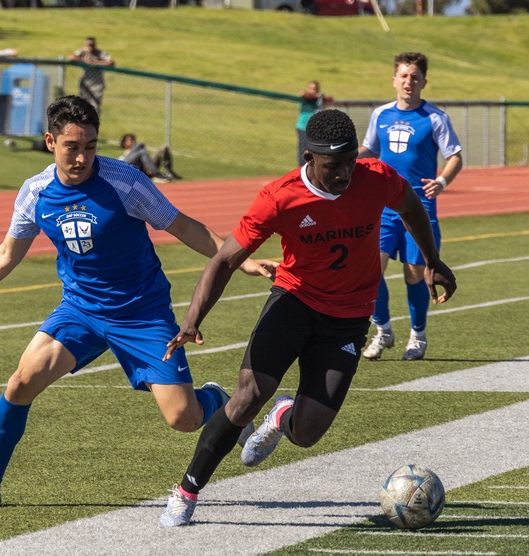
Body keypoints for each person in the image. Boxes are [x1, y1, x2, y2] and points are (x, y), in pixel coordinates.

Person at [0, 95, 276, 511]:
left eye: (90, 146)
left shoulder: (125, 182)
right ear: (51, 141)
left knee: (184, 419)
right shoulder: (35, 193)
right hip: (80, 310)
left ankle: (213, 397)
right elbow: (6, 254)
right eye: (72, 146)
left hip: (142, 312)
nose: (82, 156)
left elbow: (184, 226)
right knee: (20, 382)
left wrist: (241, 262)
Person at [158, 109, 456, 527]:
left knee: (309, 432)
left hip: (349, 317)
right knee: (246, 396)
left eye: (351, 161)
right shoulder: (279, 196)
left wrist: (433, 260)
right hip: (294, 302)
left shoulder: (377, 177)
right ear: (309, 157)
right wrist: (192, 318)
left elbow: (410, 205)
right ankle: (186, 491)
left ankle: (282, 415)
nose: (345, 173)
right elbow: (225, 259)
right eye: (333, 165)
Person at [358, 52, 463, 361]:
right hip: (384, 207)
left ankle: (417, 336)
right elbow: (371, 148)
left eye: (415, 77)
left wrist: (442, 181)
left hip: (419, 208)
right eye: (403, 76)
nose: (409, 82)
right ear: (394, 80)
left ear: (423, 82)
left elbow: (455, 155)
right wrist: (351, 154)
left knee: (415, 273)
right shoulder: (381, 114)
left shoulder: (435, 118)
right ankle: (384, 331)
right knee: (369, 271)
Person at [68, 37, 113, 115]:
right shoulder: (83, 51)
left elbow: (111, 62)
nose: (90, 47)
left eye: (92, 45)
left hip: (97, 84)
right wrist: (84, 61)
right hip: (86, 82)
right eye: (88, 45)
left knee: (95, 105)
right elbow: (71, 57)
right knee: (82, 103)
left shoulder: (100, 53)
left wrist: (96, 62)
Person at [295, 80, 332, 167]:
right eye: (311, 88)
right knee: (303, 149)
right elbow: (302, 94)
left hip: (317, 128)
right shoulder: (305, 96)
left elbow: (330, 98)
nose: (313, 90)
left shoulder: (320, 98)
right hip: (303, 127)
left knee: (316, 149)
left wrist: (322, 97)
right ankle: (301, 168)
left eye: (315, 89)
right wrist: (316, 96)